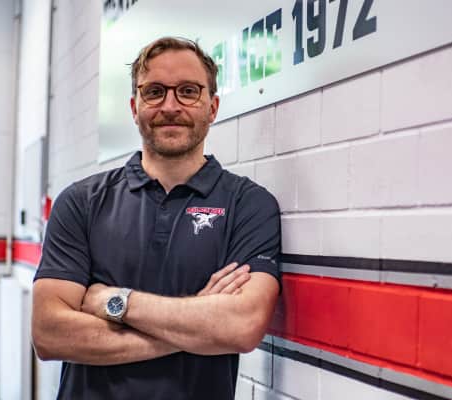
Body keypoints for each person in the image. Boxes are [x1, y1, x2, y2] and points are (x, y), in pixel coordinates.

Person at [31, 37, 281, 400]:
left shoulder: (249, 205)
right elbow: (49, 334)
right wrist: (199, 328)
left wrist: (115, 302)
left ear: (212, 107)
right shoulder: (81, 202)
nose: (170, 106)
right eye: (154, 92)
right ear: (135, 108)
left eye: (188, 91)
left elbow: (241, 327)